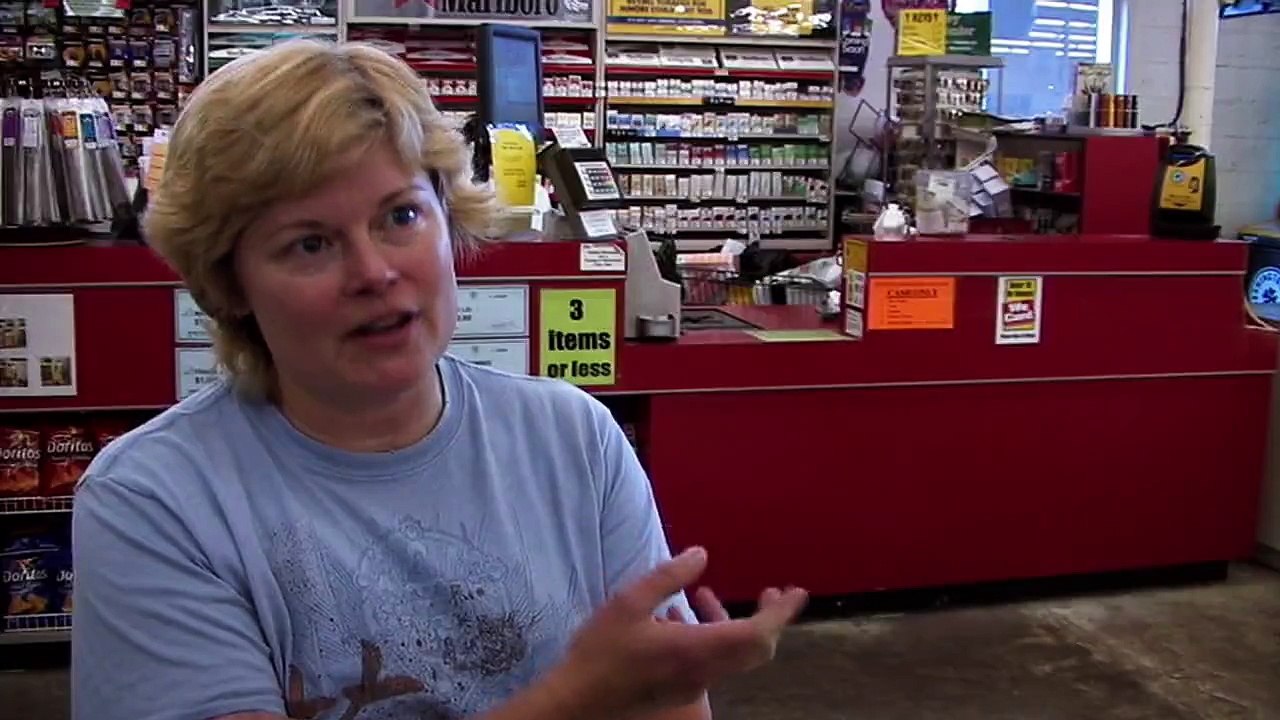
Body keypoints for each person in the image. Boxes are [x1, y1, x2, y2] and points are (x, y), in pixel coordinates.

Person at [71, 39, 808, 720]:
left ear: (449, 218)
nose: (374, 272)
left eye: (400, 216)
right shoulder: (156, 500)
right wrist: (580, 700)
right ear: (229, 284)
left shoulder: (573, 440)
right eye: (310, 244)